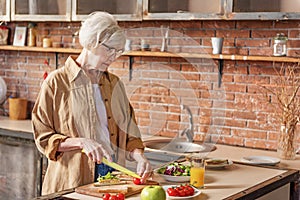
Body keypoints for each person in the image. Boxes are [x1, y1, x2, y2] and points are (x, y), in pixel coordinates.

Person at [32, 11, 152, 195]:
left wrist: (140, 157)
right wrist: (81, 142)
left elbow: (130, 133)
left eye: (118, 51)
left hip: (113, 177)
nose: (114, 56)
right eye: (109, 49)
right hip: (72, 180)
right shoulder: (56, 82)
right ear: (91, 42)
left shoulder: (115, 84)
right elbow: (43, 138)